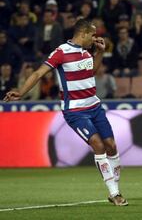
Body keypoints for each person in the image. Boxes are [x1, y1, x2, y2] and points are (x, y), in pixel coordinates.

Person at [3, 19, 128, 206]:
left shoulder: (86, 52)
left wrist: (100, 53)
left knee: (111, 146)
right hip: (76, 111)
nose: (95, 38)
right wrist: (21, 91)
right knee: (98, 145)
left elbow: (90, 71)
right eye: (92, 35)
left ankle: (115, 189)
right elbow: (38, 73)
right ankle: (115, 192)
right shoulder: (61, 52)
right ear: (83, 33)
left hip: (94, 106)